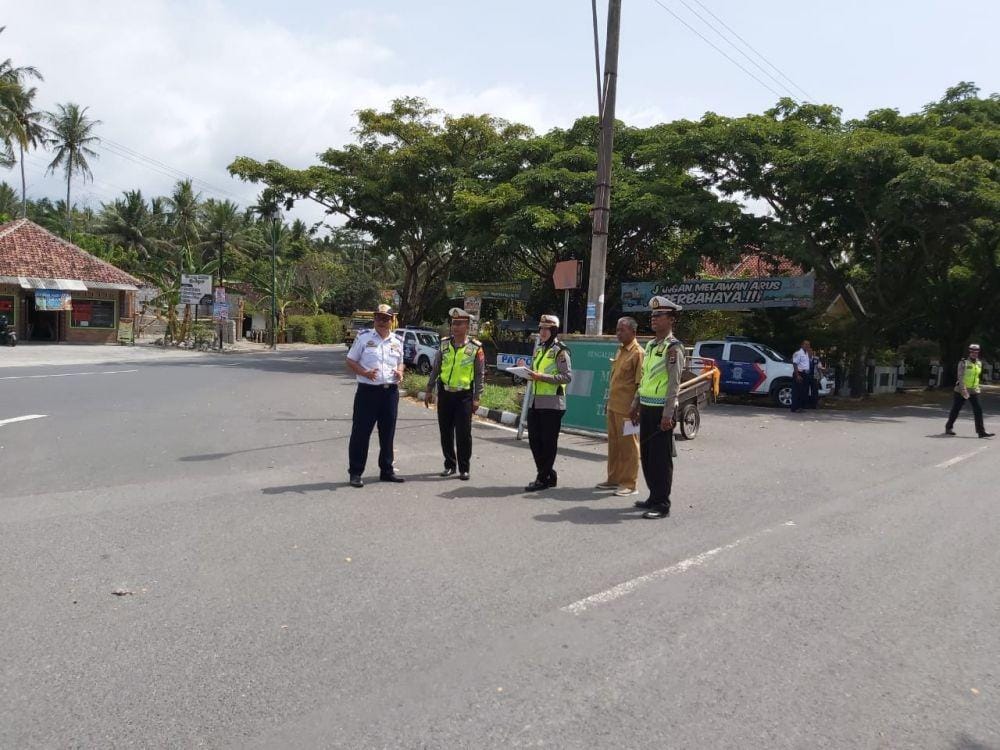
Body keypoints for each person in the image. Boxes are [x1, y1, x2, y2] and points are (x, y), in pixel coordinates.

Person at [630, 296, 685, 520]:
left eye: (659, 315)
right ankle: (653, 496)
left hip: (662, 409)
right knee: (647, 455)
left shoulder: (674, 348)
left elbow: (674, 384)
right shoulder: (652, 346)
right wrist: (635, 403)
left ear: (671, 319)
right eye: (652, 315)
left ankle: (662, 503)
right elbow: (645, 378)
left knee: (661, 459)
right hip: (646, 406)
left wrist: (668, 414)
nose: (654, 319)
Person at [345, 304, 407, 487]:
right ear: (374, 319)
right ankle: (355, 472)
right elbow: (350, 360)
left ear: (391, 320)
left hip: (390, 393)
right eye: (378, 318)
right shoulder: (364, 337)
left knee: (388, 434)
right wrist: (364, 373)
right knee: (361, 433)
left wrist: (400, 372)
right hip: (368, 393)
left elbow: (401, 362)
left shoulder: (397, 340)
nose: (381, 321)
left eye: (385, 318)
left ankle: (386, 470)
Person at [424, 308, 486, 480]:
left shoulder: (475, 348)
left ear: (467, 326)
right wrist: (429, 389)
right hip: (445, 394)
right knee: (445, 432)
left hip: (464, 396)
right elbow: (436, 368)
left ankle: (464, 468)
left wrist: (477, 397)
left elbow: (480, 374)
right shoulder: (444, 344)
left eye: (459, 324)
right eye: (453, 323)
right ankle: (449, 465)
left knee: (463, 433)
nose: (455, 327)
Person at [523, 314, 573, 492]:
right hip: (536, 402)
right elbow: (535, 372)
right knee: (534, 441)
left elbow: (566, 377)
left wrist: (541, 377)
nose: (543, 332)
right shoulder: (539, 349)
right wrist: (526, 372)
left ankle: (543, 478)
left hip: (553, 404)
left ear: (554, 331)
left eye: (547, 329)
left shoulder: (561, 351)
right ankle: (548, 474)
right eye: (541, 329)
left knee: (548, 442)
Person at [596, 317, 644, 497]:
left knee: (629, 446)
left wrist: (636, 408)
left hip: (628, 409)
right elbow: (615, 380)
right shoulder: (620, 350)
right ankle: (614, 479)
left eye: (622, 330)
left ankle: (629, 484)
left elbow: (640, 384)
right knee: (614, 445)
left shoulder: (638, 353)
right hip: (614, 406)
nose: (618, 333)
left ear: (633, 332)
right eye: (617, 330)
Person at [945, 344, 994, 438]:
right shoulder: (963, 362)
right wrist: (963, 389)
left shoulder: (979, 363)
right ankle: (948, 427)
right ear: (969, 352)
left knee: (978, 410)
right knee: (956, 409)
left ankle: (981, 432)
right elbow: (960, 377)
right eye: (972, 352)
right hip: (961, 390)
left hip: (974, 390)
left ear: (978, 352)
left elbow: (976, 377)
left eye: (976, 352)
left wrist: (978, 387)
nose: (974, 353)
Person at [791, 339, 811, 412]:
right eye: (805, 344)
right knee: (797, 391)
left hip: (806, 374)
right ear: (802, 345)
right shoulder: (798, 353)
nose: (807, 346)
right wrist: (797, 375)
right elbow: (795, 364)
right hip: (799, 373)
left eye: (808, 344)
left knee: (804, 391)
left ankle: (800, 407)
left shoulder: (807, 353)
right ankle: (794, 408)